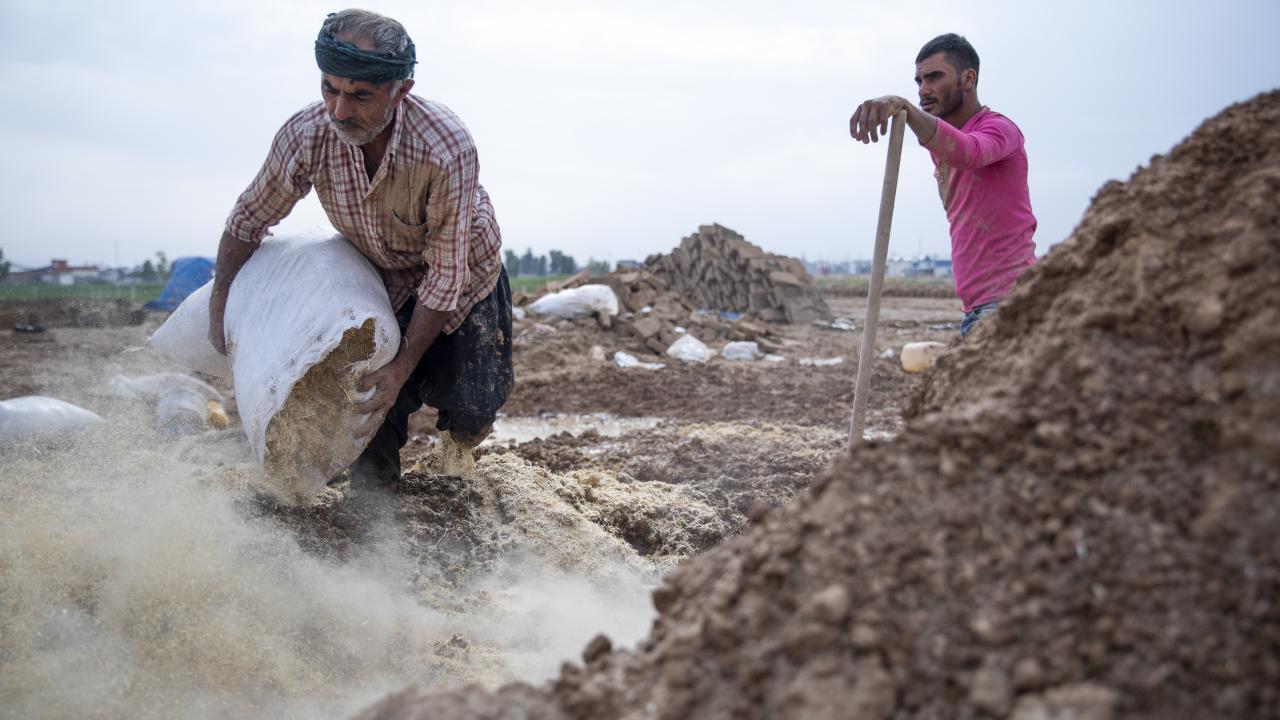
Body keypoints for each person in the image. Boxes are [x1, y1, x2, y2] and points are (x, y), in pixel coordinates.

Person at [208, 9, 513, 489]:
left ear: (400, 91)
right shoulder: (307, 134)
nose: (340, 111)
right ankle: (375, 515)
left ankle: (457, 453)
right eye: (329, 89)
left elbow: (445, 274)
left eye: (360, 96)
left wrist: (403, 366)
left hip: (463, 272)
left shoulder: (444, 146)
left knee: (470, 405)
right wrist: (220, 303)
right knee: (370, 402)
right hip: (380, 277)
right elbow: (249, 219)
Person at [849, 33, 1036, 336]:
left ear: (968, 79)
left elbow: (969, 152)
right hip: (976, 307)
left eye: (934, 77)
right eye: (919, 81)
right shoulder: (942, 149)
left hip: (1008, 303)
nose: (923, 90)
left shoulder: (999, 129)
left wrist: (905, 108)